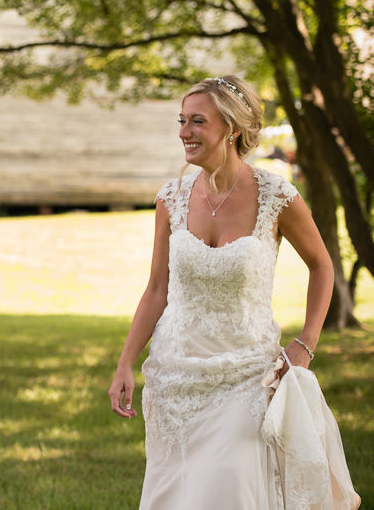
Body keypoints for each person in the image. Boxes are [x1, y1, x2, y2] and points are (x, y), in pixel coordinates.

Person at [108, 76, 340, 509]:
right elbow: (157, 289)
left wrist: (306, 342)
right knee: (174, 494)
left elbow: (322, 265)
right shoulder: (171, 198)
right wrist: (126, 362)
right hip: (175, 375)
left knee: (229, 488)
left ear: (231, 128)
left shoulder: (276, 197)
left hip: (245, 375)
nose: (183, 132)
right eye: (182, 120)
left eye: (197, 121)